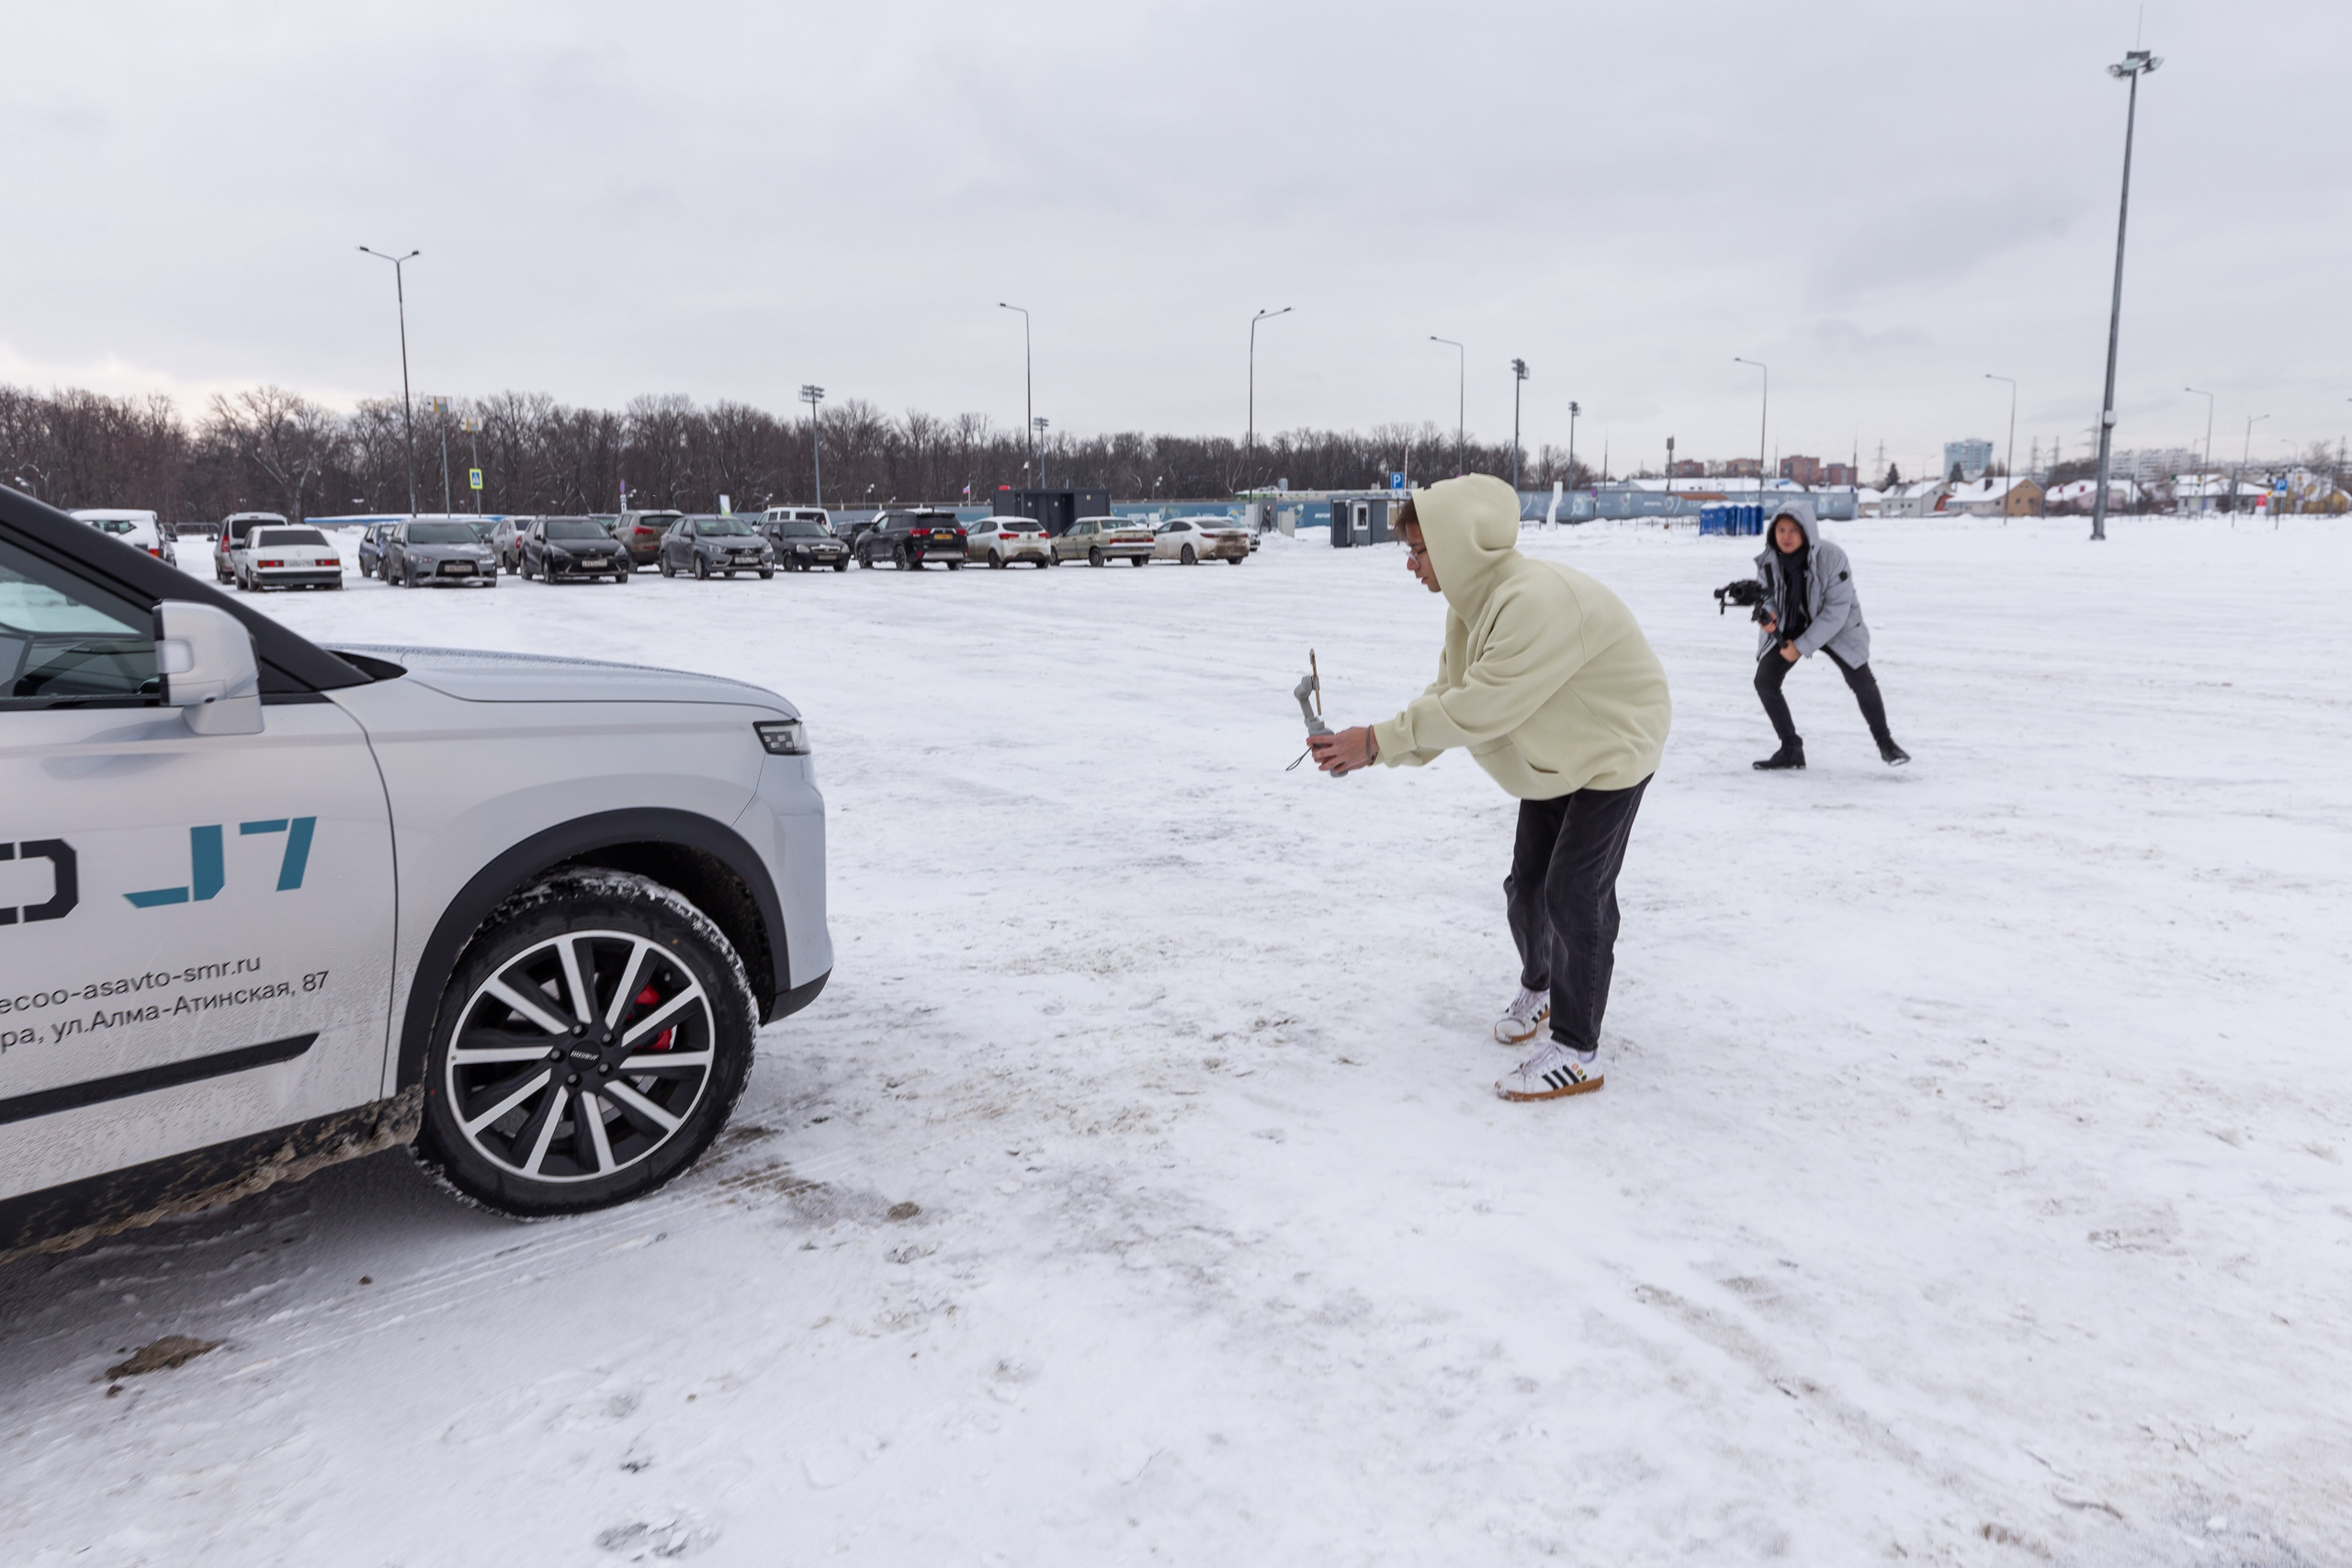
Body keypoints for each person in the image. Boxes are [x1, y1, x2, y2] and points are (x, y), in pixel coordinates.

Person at [1307, 475, 1671, 1102]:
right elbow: (1448, 698)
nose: (1411, 562)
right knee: (1527, 885)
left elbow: (1479, 707)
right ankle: (1542, 985)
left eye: (1420, 549)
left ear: (1456, 546)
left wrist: (1378, 740)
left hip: (1614, 747)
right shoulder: (1471, 609)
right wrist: (1373, 749)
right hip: (1556, 756)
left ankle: (1577, 1049)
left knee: (1575, 890)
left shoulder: (1534, 600)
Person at [1748, 500, 1907, 771]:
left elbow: (1836, 611)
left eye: (1794, 531)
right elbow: (1768, 597)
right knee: (1765, 680)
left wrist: (1800, 646)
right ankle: (1791, 749)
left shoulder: (1833, 558)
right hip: (1791, 623)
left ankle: (1886, 744)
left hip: (1837, 627)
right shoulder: (1769, 561)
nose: (1786, 537)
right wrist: (1769, 617)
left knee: (1861, 678)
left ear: (1807, 531)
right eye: (1781, 530)